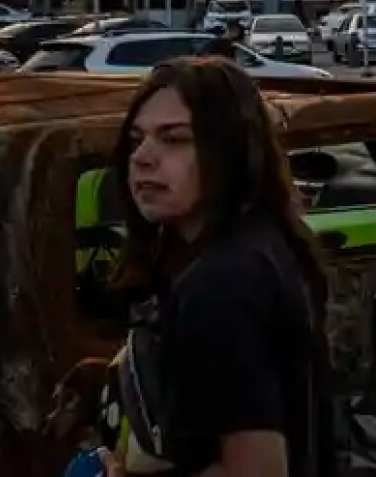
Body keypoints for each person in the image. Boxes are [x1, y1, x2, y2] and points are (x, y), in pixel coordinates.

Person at [95, 56, 332, 477]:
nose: (142, 157)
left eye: (174, 139)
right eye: (136, 139)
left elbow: (258, 472)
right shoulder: (261, 246)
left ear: (229, 151)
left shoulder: (222, 284)